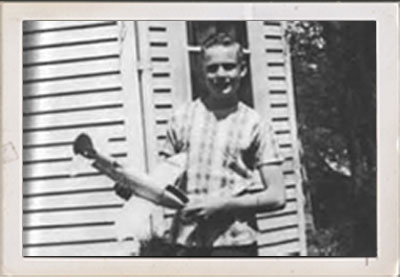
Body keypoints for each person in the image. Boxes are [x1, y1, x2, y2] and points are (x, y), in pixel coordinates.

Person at [158, 32, 286, 257]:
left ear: (242, 70)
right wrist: (133, 189)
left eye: (229, 67)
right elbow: (162, 183)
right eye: (212, 68)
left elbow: (277, 196)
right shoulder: (181, 119)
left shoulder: (256, 124)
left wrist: (223, 205)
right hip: (186, 243)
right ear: (201, 72)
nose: (221, 75)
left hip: (234, 244)